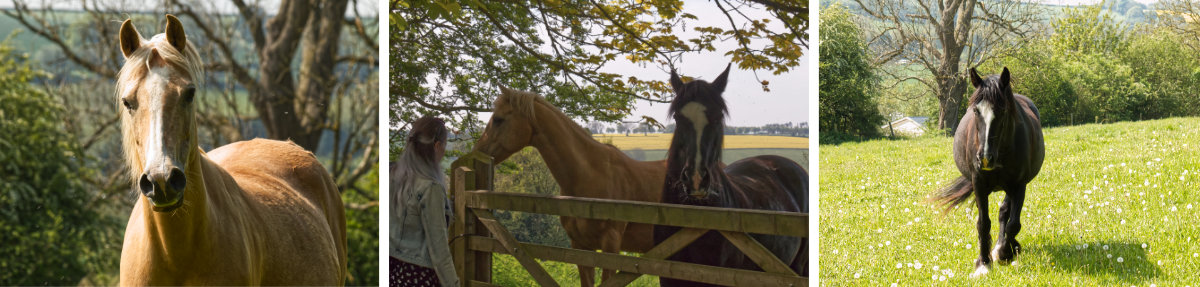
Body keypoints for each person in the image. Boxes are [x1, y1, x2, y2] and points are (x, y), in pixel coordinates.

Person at [391, 115, 459, 287]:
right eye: (444, 145)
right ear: (437, 146)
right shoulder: (431, 188)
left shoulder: (391, 174)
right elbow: (440, 251)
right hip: (419, 277)